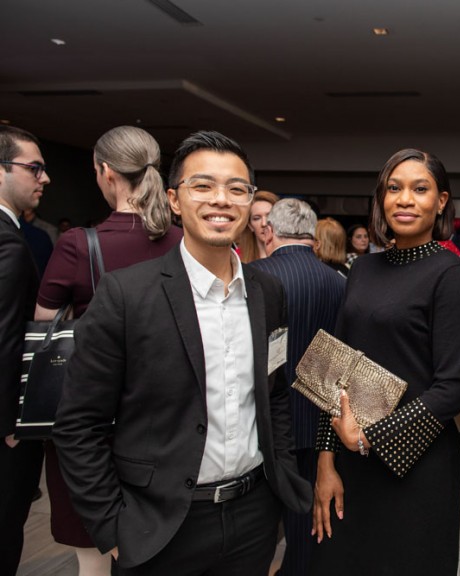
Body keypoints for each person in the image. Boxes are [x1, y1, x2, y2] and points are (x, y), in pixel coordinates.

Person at [52, 130, 312, 575]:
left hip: (253, 516)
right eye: (203, 186)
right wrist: (113, 529)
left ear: (250, 203)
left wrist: (279, 474)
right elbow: (78, 425)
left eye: (236, 189)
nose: (221, 200)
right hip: (159, 526)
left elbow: (274, 393)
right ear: (174, 200)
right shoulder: (126, 294)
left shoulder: (268, 292)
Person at [311, 149, 460, 576]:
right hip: (351, 461)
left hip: (418, 469)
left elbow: (453, 386)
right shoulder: (363, 268)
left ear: (440, 202)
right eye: (394, 188)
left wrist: (368, 439)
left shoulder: (448, 273)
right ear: (381, 199)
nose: (404, 199)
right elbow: (337, 369)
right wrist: (327, 461)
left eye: (420, 189)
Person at [35, 125, 183, 575]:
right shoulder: (182, 243)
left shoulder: (78, 245)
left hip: (92, 420)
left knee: (94, 558)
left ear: (105, 172)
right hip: (165, 415)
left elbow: (45, 326)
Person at [250, 198, 345, 576]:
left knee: (256, 522)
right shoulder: (339, 282)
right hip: (318, 423)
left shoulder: (252, 275)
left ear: (269, 231)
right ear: (313, 237)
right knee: (308, 523)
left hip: (262, 423)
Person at [0, 125, 50, 575]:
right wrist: (10, 423)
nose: (45, 178)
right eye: (33, 168)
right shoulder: (9, 244)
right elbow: (4, 340)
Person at [239, 190, 279, 262]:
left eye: (269, 216)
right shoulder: (237, 256)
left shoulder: (290, 255)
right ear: (250, 225)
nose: (264, 224)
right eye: (257, 218)